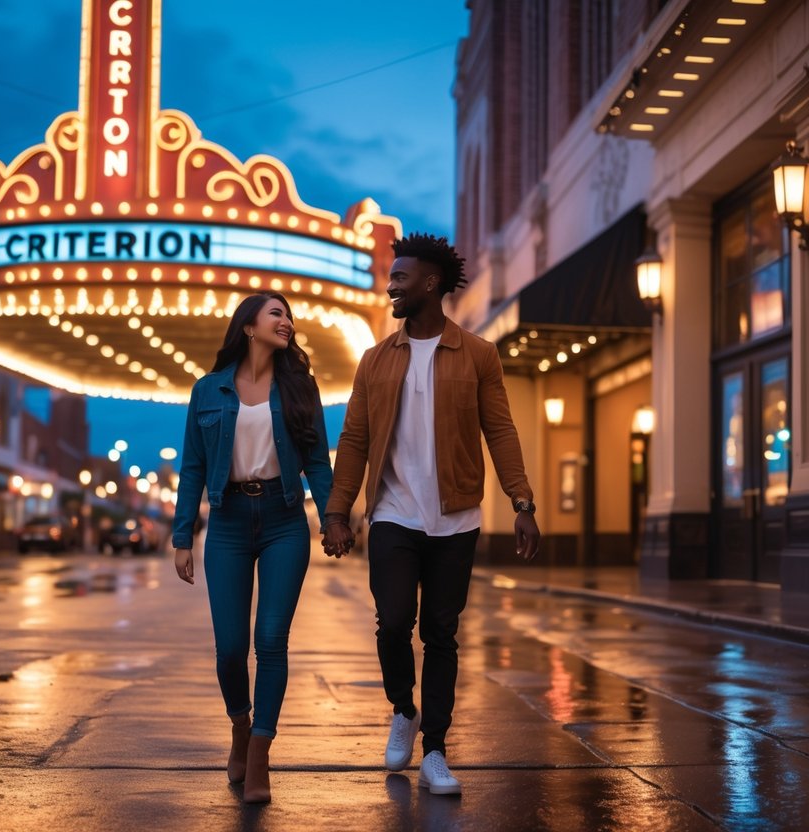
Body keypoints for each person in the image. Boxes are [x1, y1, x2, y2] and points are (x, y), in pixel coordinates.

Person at [322, 233, 540, 796]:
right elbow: (354, 439)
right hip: (393, 514)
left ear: (431, 283)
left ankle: (435, 749)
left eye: (400, 277)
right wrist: (337, 512)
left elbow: (501, 430)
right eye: (390, 277)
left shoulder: (478, 354)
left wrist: (522, 501)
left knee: (442, 635)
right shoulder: (375, 361)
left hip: (456, 520)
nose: (390, 286)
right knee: (394, 622)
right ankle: (403, 706)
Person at [172, 291, 333, 804]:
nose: (286, 322)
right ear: (248, 326)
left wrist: (332, 518)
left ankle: (260, 752)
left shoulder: (300, 387)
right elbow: (193, 467)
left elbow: (317, 463)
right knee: (230, 650)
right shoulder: (208, 390)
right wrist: (182, 538)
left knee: (271, 640)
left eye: (288, 315)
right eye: (276, 313)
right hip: (228, 523)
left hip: (286, 520)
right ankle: (240, 725)